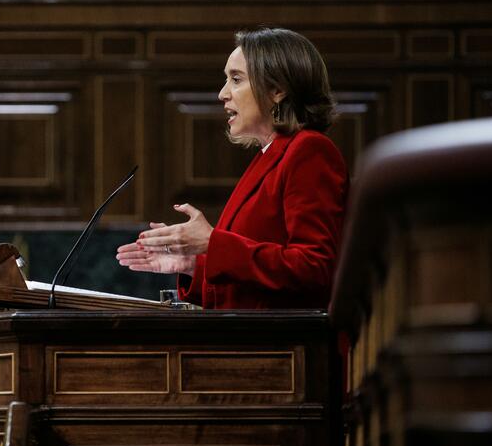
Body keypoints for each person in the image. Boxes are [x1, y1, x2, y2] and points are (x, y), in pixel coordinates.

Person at [116, 28, 348, 309]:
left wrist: (212, 243)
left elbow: (314, 268)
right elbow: (251, 279)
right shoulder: (269, 155)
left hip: (285, 338)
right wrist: (193, 265)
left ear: (277, 90)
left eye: (236, 79)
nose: (222, 94)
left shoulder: (309, 150)